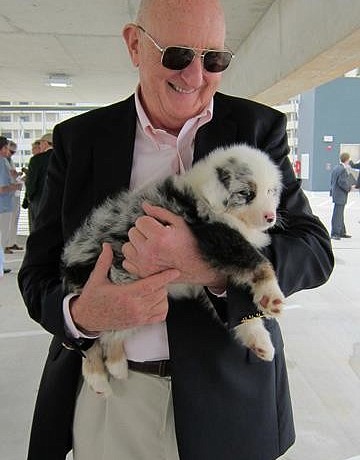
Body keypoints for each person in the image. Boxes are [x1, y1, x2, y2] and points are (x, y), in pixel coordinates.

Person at [18, 1, 334, 459]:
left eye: (214, 60)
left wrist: (205, 261)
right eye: (178, 55)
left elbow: (312, 248)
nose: (195, 75)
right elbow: (38, 273)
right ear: (134, 45)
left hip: (229, 400)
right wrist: (84, 314)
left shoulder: (256, 128)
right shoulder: (79, 140)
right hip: (114, 398)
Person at [24, 132, 53, 230]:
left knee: (36, 229)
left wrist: (29, 197)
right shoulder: (63, 158)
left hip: (38, 200)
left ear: (45, 143)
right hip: (58, 200)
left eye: (40, 143)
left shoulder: (36, 160)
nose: (39, 146)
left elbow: (31, 183)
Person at [0, 136, 21, 270]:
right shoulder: (2, 162)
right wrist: (15, 186)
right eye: (7, 148)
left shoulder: (5, 162)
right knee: (2, 236)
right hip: (4, 205)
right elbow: (2, 189)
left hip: (4, 204)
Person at [5, 141, 24, 252]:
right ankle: (5, 244)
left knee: (14, 219)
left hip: (14, 193)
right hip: (6, 194)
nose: (12, 154)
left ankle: (11, 242)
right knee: (7, 220)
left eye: (13, 152)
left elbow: (12, 175)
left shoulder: (9, 160)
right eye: (10, 151)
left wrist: (18, 176)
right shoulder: (3, 160)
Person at [330, 152, 354, 240]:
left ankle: (341, 231)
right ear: (347, 160)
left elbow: (333, 181)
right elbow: (342, 182)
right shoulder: (342, 170)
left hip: (336, 194)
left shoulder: (336, 168)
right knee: (337, 214)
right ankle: (335, 233)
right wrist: (349, 188)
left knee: (340, 214)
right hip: (340, 195)